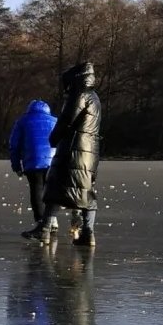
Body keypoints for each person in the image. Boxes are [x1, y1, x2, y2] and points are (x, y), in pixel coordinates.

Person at [39, 61, 102, 247]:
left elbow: (67, 120)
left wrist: (54, 138)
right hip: (90, 150)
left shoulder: (80, 94)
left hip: (75, 149)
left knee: (56, 187)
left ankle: (44, 229)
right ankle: (88, 233)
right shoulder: (94, 96)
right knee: (86, 192)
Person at [9, 100, 58, 239]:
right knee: (51, 192)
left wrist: (16, 166)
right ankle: (52, 221)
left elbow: (14, 145)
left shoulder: (22, 121)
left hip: (32, 162)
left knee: (36, 190)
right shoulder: (55, 121)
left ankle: (41, 223)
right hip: (53, 163)